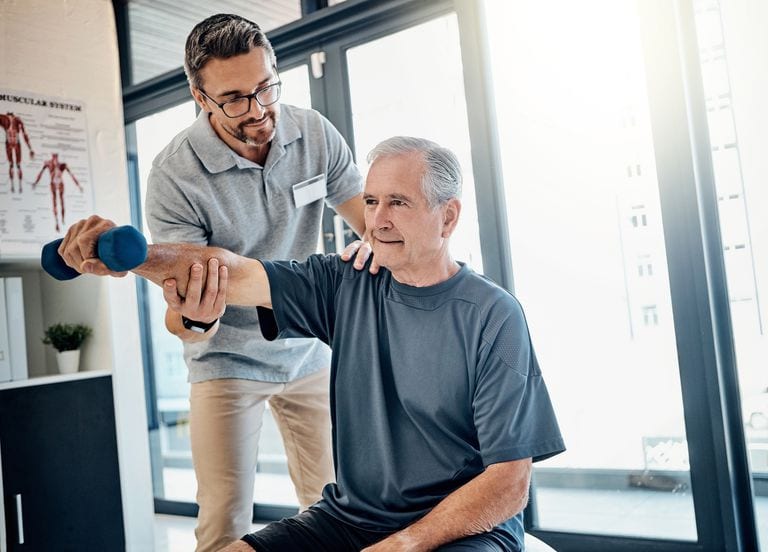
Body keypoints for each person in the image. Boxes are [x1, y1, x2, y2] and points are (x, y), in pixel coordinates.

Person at [60, 136, 564, 551]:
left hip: (460, 532)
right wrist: (134, 257)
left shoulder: (492, 315)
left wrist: (406, 543)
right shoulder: (345, 281)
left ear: (448, 218)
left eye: (398, 202)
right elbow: (230, 271)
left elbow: (509, 483)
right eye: (371, 202)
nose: (377, 220)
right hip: (350, 519)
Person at [143, 13, 369, 551]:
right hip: (226, 361)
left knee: (338, 507)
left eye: (266, 86)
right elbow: (185, 320)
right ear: (200, 97)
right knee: (223, 522)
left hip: (309, 351)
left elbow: (370, 221)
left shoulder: (314, 133)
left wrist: (378, 246)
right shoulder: (174, 175)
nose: (259, 108)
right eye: (235, 99)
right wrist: (195, 317)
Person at [33, 152, 83, 232]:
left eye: (56, 156)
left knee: (62, 202)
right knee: (55, 202)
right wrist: (36, 182)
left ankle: (63, 220)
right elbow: (41, 173)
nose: (55, 158)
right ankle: (57, 222)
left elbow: (71, 175)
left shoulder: (62, 165)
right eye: (54, 156)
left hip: (60, 183)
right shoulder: (48, 164)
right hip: (53, 183)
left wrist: (78, 185)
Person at [0, 112, 35, 193]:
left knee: (16, 165)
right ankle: (15, 186)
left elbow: (24, 134)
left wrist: (30, 149)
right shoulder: (4, 118)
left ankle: (19, 186)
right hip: (11, 143)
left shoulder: (16, 120)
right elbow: (24, 134)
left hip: (14, 143)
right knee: (12, 165)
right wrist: (30, 149)